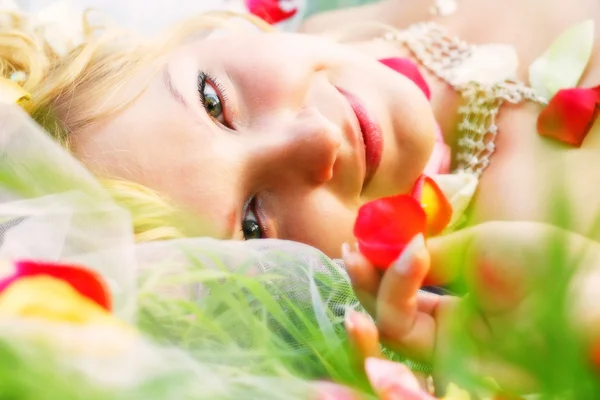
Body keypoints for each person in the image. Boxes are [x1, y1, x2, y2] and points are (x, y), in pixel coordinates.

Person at [1, 0, 600, 394]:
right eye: (255, 225)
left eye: (212, 102)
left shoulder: (321, 11)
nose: (316, 140)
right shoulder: (529, 293)